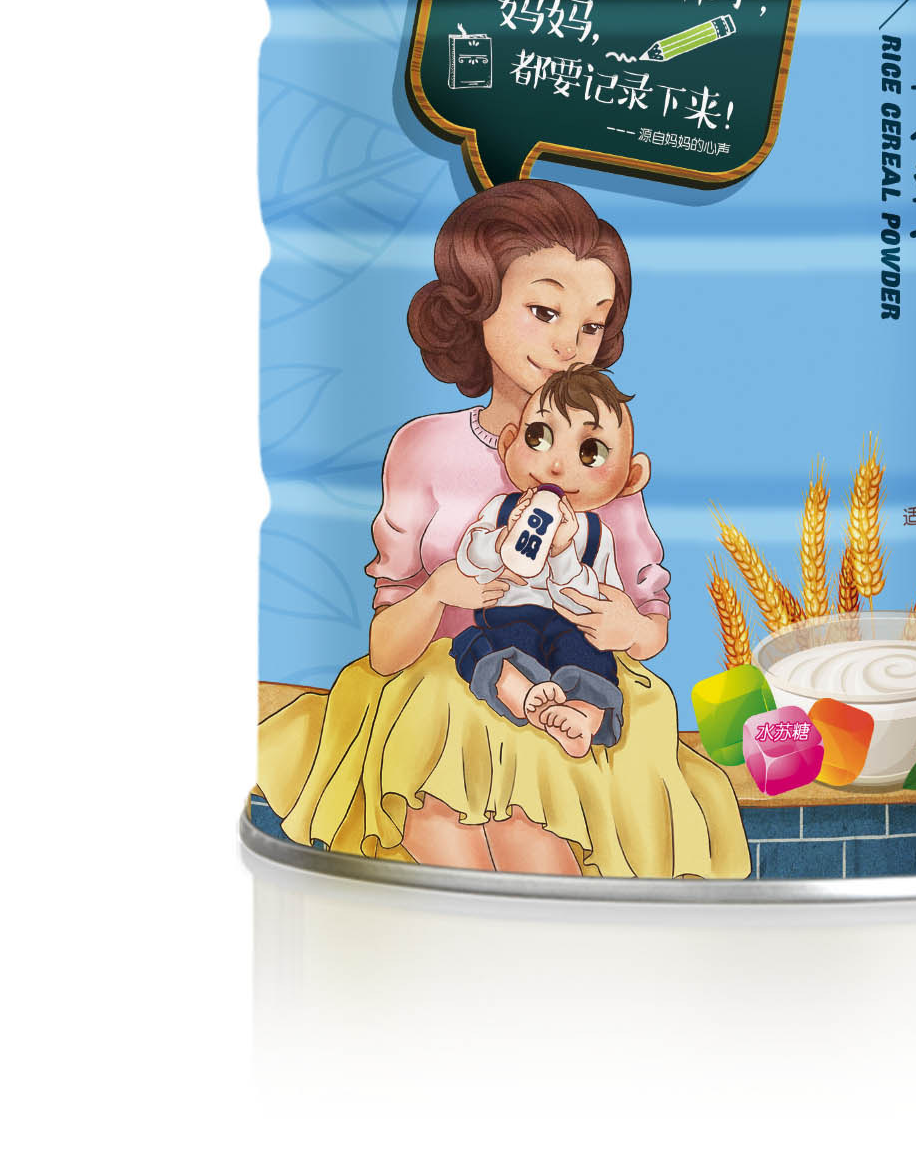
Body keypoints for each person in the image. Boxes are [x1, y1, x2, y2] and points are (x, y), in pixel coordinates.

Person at [254, 176, 747, 879]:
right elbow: (386, 647)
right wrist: (439, 591)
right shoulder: (423, 448)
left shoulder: (602, 463)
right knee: (441, 711)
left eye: (590, 325)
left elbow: (650, 619)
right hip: (446, 682)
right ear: (476, 301)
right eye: (544, 311)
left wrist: (627, 628)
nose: (568, 346)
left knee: (536, 809)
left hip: (574, 678)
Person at [450, 365, 649, 758]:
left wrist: (562, 554)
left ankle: (582, 716)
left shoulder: (597, 535)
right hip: (506, 617)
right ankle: (525, 696)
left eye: (590, 453)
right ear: (509, 443)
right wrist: (501, 541)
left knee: (590, 659)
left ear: (630, 478)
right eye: (539, 437)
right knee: (479, 647)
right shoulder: (501, 510)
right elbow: (470, 560)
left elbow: (596, 602)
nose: (557, 465)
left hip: (569, 625)